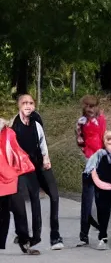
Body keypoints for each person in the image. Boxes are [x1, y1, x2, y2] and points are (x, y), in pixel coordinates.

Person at [11, 94, 63, 250]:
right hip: (25, 168)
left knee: (54, 196)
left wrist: (46, 158)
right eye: (24, 103)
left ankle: (55, 236)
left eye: (31, 103)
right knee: (32, 198)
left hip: (40, 164)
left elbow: (42, 141)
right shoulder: (14, 125)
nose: (28, 106)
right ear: (19, 105)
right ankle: (29, 236)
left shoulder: (36, 121)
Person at [0, 118, 38, 254]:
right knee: (3, 213)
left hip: (10, 177)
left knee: (19, 210)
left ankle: (24, 241)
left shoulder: (9, 133)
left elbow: (16, 151)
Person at [83, 131, 111, 250]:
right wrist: (95, 178)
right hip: (102, 187)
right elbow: (90, 168)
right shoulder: (99, 154)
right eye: (107, 139)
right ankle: (103, 237)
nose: (110, 141)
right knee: (103, 213)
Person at [76, 95, 108, 246]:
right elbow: (80, 142)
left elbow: (104, 137)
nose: (90, 109)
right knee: (87, 201)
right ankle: (84, 235)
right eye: (87, 106)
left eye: (92, 106)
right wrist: (78, 131)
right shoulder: (81, 122)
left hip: (100, 160)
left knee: (101, 200)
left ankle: (103, 233)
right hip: (89, 161)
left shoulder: (101, 119)